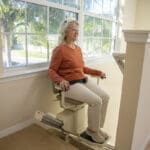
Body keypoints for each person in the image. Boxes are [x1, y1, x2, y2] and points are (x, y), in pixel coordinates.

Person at [48, 18, 109, 144]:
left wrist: (98, 72)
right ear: (66, 31)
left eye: (78, 30)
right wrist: (60, 80)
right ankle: (91, 131)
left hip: (82, 80)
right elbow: (51, 70)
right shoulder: (59, 50)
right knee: (96, 101)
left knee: (105, 96)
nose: (77, 32)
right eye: (73, 30)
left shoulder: (78, 49)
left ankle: (97, 128)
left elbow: (82, 68)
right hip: (70, 85)